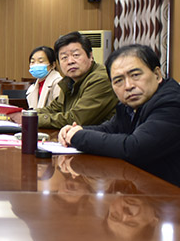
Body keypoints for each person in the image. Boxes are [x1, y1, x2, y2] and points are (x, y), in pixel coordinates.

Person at [59, 44, 180, 187]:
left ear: (157, 75)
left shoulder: (172, 102)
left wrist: (78, 136)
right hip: (145, 187)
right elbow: (110, 129)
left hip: (170, 194)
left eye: (135, 75)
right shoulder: (131, 105)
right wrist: (74, 130)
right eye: (118, 81)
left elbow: (135, 148)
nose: (128, 86)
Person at [33, 31, 117, 128]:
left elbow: (75, 119)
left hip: (101, 136)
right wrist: (26, 114)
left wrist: (31, 119)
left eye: (76, 55)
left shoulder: (101, 79)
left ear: (90, 56)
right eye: (64, 57)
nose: (70, 61)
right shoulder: (69, 81)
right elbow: (54, 109)